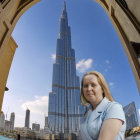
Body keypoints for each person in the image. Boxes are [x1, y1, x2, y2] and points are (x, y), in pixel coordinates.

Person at [80, 71, 126, 140]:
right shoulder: (86, 113)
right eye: (86, 86)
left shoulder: (114, 108)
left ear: (102, 89)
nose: (89, 89)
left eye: (93, 85)